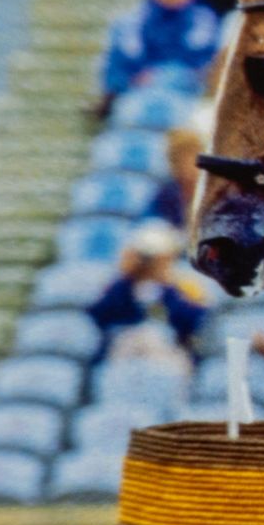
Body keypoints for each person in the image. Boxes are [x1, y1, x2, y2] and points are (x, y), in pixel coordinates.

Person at [100, 0, 221, 113]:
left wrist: (162, 76)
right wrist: (130, 81)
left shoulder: (204, 20)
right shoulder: (131, 22)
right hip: (137, 97)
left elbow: (206, 63)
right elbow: (116, 69)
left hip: (188, 97)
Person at [88, 220, 209, 365]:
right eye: (144, 256)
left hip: (169, 349)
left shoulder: (184, 285)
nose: (148, 263)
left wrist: (167, 296)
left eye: (154, 257)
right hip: (125, 347)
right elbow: (99, 315)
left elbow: (197, 320)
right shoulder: (121, 286)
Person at [146, 126, 204, 231]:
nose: (187, 166)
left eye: (191, 158)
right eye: (178, 159)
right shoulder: (168, 192)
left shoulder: (211, 190)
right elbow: (148, 222)